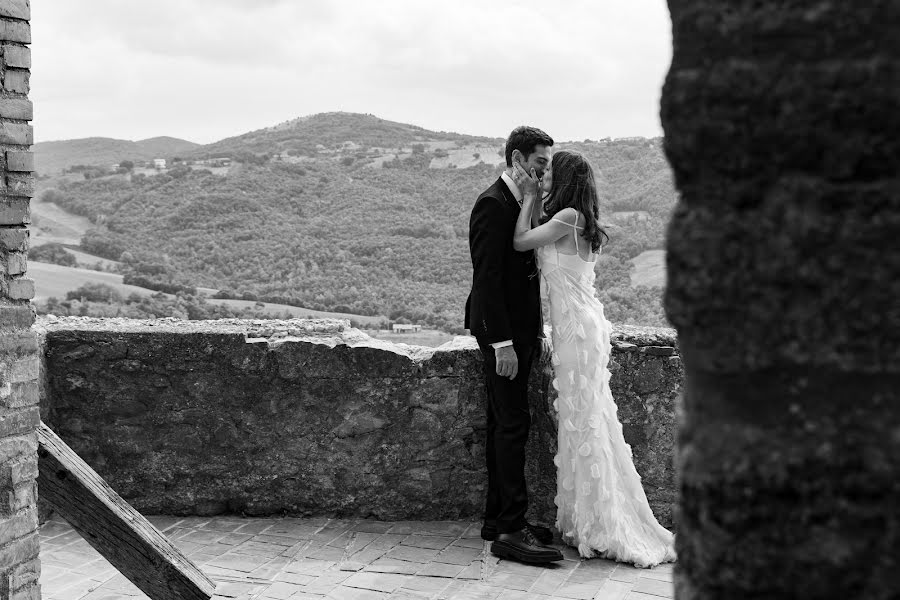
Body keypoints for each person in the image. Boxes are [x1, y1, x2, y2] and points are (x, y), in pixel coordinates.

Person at [511, 150, 676, 568]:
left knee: (583, 419)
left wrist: (528, 196)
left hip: (576, 332)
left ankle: (601, 521)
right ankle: (587, 517)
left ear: (564, 178)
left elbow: (520, 241)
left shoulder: (567, 216)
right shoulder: (576, 217)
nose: (544, 176)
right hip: (582, 326)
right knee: (584, 418)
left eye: (550, 172)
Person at [465, 126, 563, 564]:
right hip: (501, 335)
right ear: (518, 158)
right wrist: (503, 343)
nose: (544, 172)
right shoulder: (492, 204)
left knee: (505, 423)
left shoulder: (518, 201)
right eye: (540, 163)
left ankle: (497, 517)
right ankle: (510, 528)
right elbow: (486, 280)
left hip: (521, 332)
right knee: (512, 425)